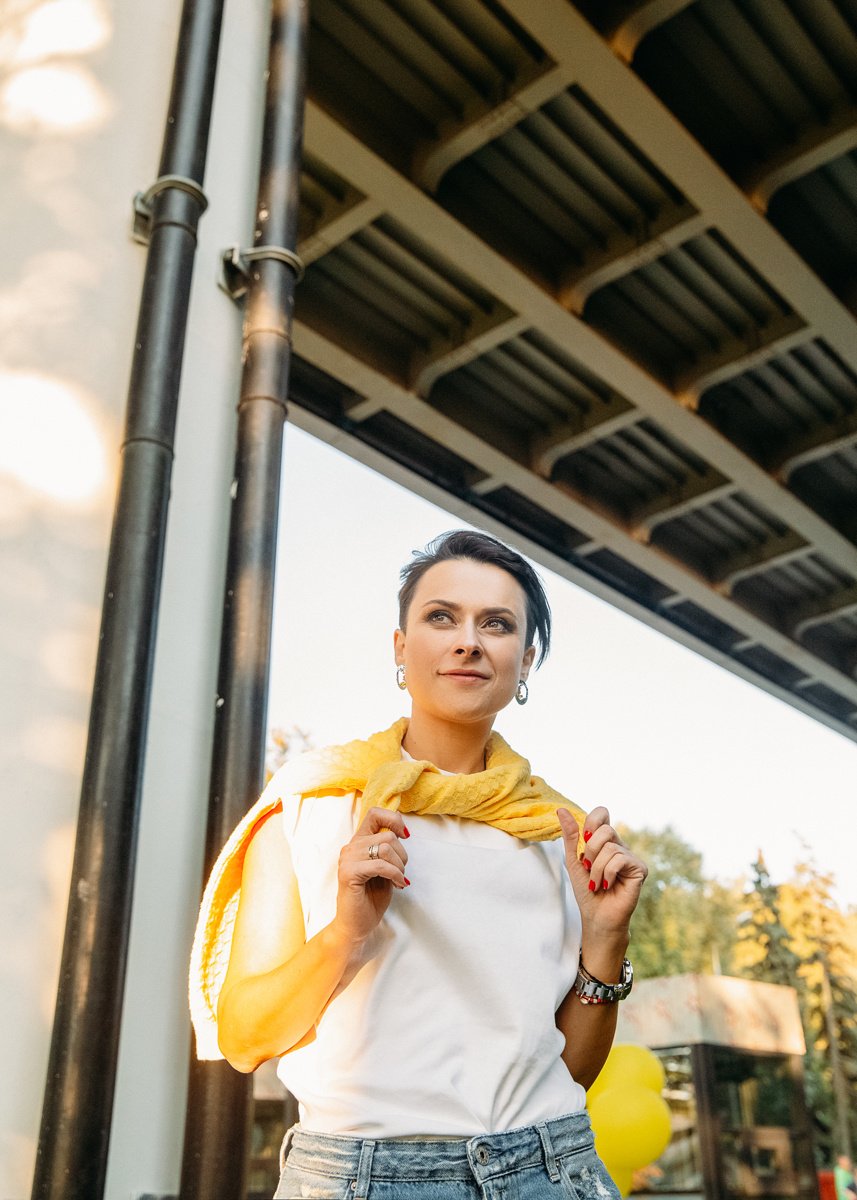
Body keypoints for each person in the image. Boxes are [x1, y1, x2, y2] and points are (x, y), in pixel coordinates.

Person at [190, 529, 649, 1200]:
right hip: (361, 1179)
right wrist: (344, 933)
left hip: (551, 1169)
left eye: (495, 624)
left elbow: (565, 1075)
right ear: (401, 649)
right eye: (442, 617)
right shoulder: (313, 805)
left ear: (524, 663)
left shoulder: (558, 831)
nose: (468, 640)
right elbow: (244, 1039)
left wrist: (605, 942)